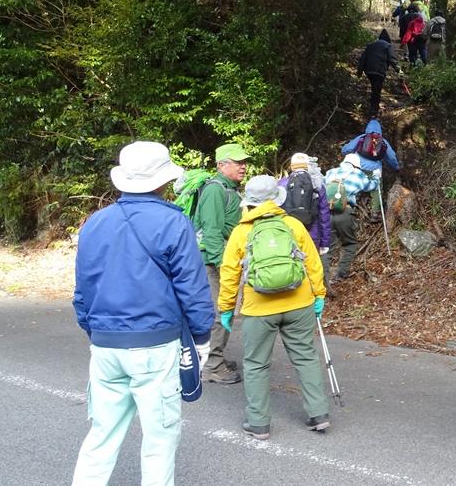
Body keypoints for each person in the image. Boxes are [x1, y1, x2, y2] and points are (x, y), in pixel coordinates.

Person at [72, 141, 215, 485]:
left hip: (105, 346)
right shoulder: (172, 222)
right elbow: (192, 287)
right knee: (160, 439)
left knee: (102, 435)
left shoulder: (95, 223)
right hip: (155, 346)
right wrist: (202, 336)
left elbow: (82, 290)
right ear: (162, 180)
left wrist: (96, 332)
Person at [217, 174, 330, 440]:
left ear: (249, 202)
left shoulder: (241, 232)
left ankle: (258, 423)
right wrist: (319, 295)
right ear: (278, 199)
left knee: (256, 364)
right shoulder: (292, 225)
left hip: (259, 308)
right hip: (298, 302)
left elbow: (230, 273)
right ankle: (318, 414)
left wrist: (226, 309)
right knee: (305, 357)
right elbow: (313, 262)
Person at [191, 142, 248, 384]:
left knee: (223, 311)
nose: (243, 167)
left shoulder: (228, 188)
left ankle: (214, 358)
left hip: (221, 259)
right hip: (214, 262)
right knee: (220, 311)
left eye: (244, 162)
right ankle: (212, 366)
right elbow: (211, 230)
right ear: (222, 165)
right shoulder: (216, 190)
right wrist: (224, 266)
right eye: (238, 162)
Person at [323, 152, 381, 287]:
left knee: (329, 246)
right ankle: (341, 274)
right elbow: (371, 186)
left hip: (327, 212)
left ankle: (323, 276)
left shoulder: (331, 172)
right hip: (345, 212)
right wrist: (377, 177)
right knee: (349, 243)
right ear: (356, 164)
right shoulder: (357, 174)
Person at [340, 118, 400, 222]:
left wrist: (343, 151)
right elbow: (392, 157)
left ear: (367, 128)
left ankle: (353, 203)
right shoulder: (383, 142)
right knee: (377, 189)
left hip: (359, 166)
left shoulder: (362, 138)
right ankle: (375, 213)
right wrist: (397, 167)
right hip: (375, 169)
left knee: (356, 182)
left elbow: (348, 148)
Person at [279, 152, 330, 255]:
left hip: (289, 234)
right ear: (308, 166)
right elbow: (324, 216)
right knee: (312, 268)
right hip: (312, 235)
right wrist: (325, 243)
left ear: (291, 167)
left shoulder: (281, 185)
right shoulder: (317, 186)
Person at [357, 29, 400, 117]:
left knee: (374, 88)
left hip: (369, 71)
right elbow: (392, 59)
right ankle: (373, 111)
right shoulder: (388, 46)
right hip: (379, 71)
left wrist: (359, 71)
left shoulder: (371, 45)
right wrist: (398, 70)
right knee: (376, 91)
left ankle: (373, 109)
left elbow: (363, 59)